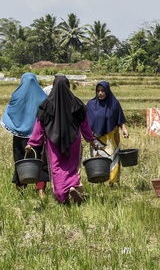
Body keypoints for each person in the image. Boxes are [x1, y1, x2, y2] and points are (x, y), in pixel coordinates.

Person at [26, 75, 104, 204]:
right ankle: (73, 186)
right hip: (74, 141)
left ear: (54, 86)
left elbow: (39, 126)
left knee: (57, 168)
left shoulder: (46, 105)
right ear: (68, 86)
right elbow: (84, 125)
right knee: (72, 167)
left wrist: (32, 143)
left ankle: (62, 195)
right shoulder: (77, 103)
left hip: (53, 142)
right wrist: (91, 139)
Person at [2, 73, 50, 198]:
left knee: (20, 161)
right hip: (38, 136)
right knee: (40, 161)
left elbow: (10, 112)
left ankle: (20, 190)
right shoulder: (43, 97)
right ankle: (41, 190)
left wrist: (15, 125)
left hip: (19, 135)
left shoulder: (17, 96)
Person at [85, 81, 130, 185]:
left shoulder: (114, 104)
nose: (100, 93)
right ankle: (99, 181)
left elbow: (120, 119)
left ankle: (112, 183)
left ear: (108, 91)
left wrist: (124, 129)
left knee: (113, 159)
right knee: (98, 160)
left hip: (111, 138)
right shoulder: (91, 104)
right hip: (96, 139)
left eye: (103, 91)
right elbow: (86, 122)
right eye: (98, 91)